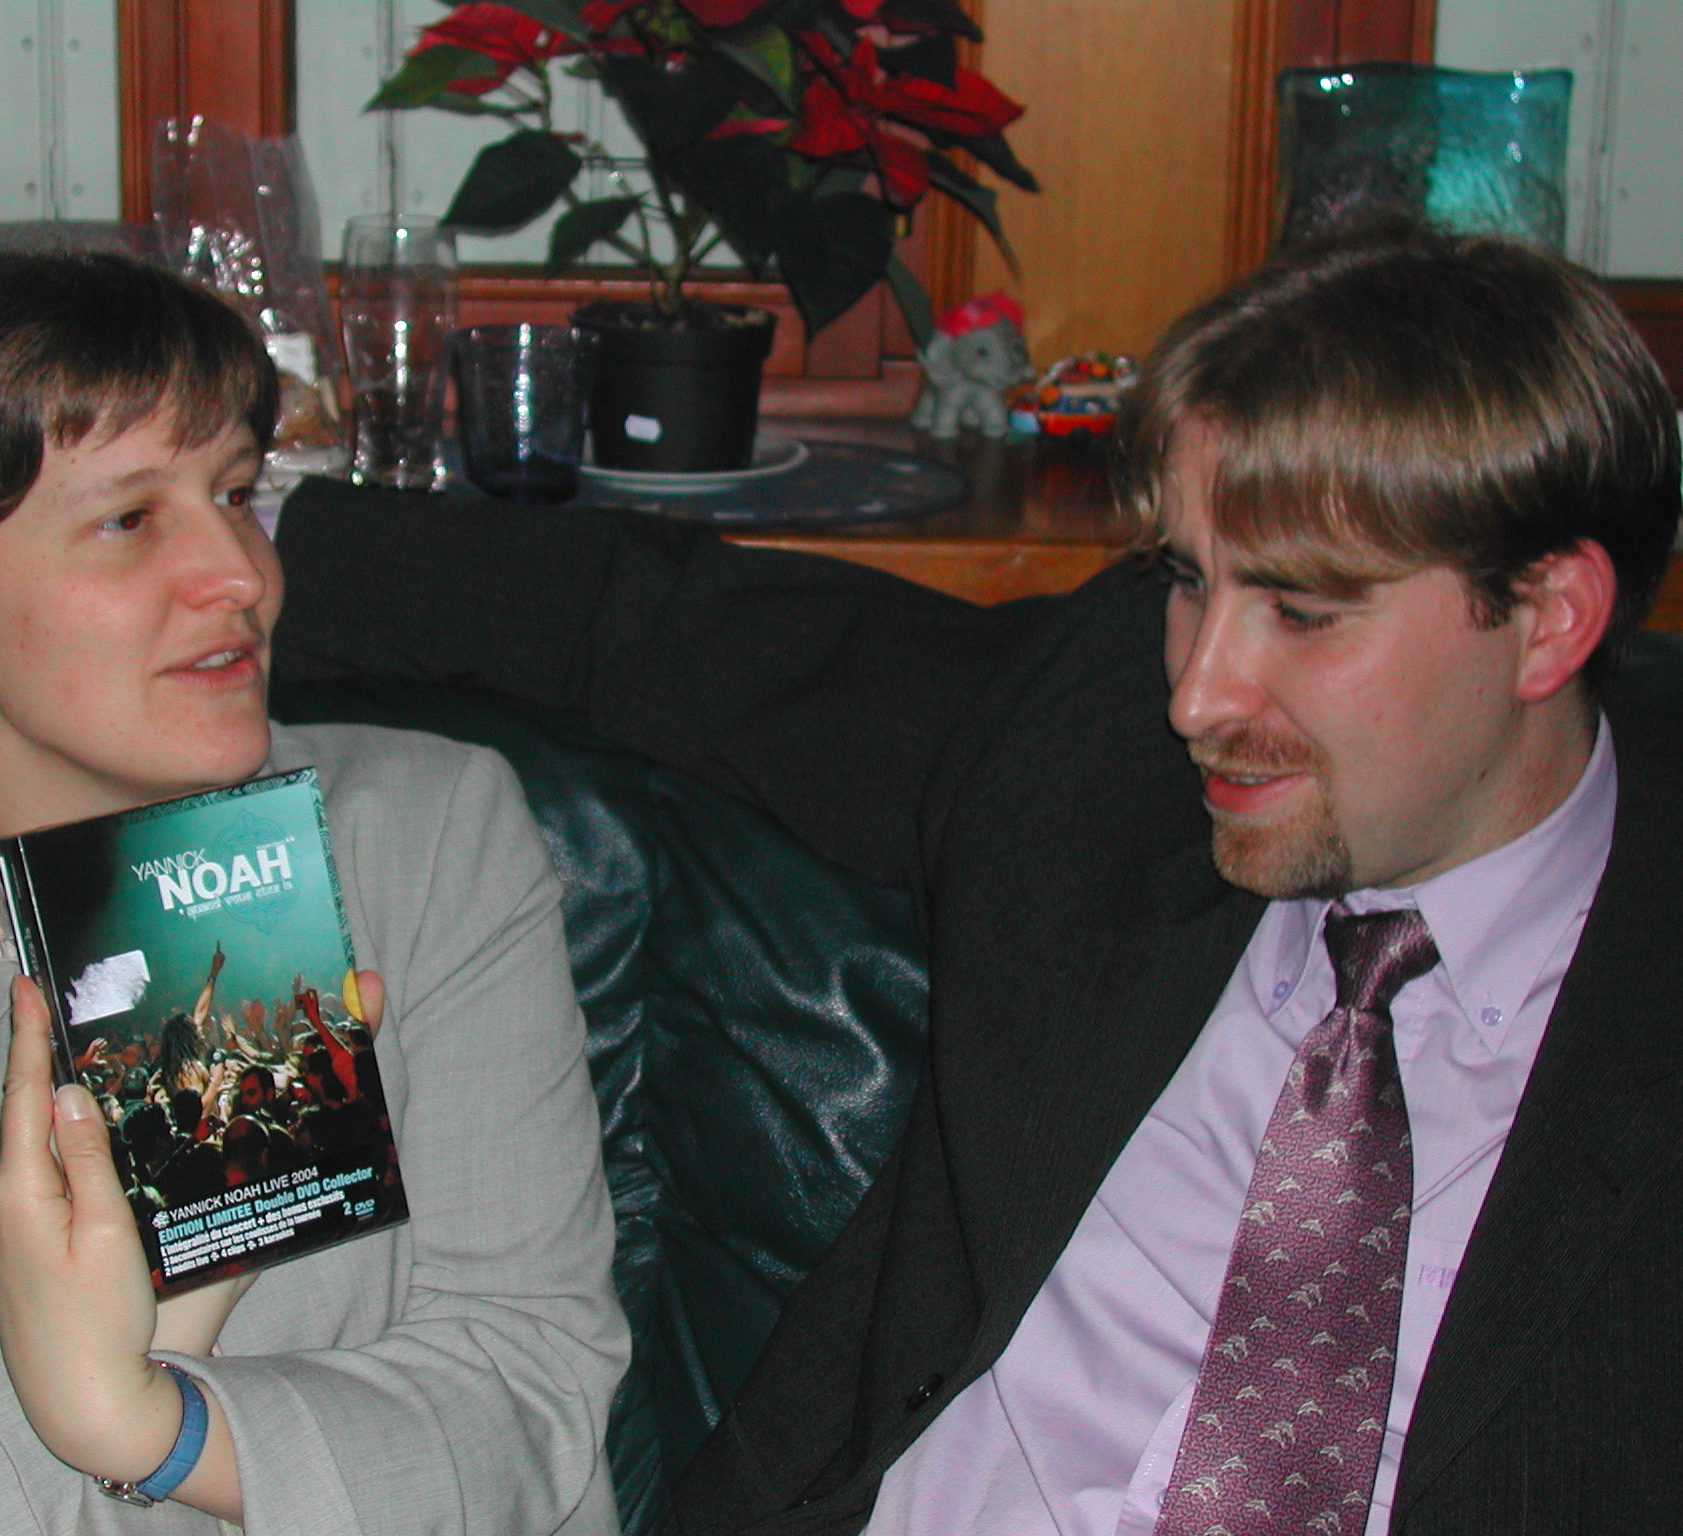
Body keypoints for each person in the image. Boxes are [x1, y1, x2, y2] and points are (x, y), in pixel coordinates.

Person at [267, 221, 1683, 1534]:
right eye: (1190, 580)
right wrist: (225, 554)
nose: (1198, 692)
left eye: (1303, 614)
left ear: (1547, 617)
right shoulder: (1093, 752)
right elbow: (663, 627)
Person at [0, 253, 627, 1533]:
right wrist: (107, 1336)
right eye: (129, 520)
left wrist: (142, 1424)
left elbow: (532, 1400)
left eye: (233, 493)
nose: (241, 575)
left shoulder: (426, 839)